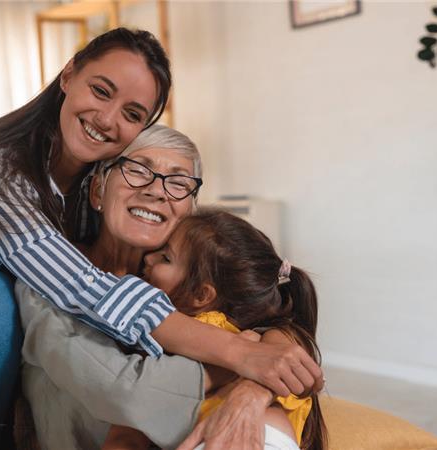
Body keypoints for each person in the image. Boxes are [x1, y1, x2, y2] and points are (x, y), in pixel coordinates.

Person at [0, 26, 320, 446]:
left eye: (133, 113)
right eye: (101, 90)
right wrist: (239, 357)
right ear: (69, 74)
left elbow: (266, 301)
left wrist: (256, 379)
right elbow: (82, 289)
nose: (109, 119)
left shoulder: (116, 203)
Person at [18, 125, 323, 450]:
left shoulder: (191, 288)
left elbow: (279, 334)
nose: (157, 190)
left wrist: (251, 392)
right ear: (97, 191)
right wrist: (237, 367)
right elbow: (126, 392)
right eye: (137, 170)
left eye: (178, 182)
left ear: (188, 211)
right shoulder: (48, 272)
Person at [102, 209, 327, 450]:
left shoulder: (194, 335)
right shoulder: (264, 338)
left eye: (166, 258)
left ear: (201, 294)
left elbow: (128, 433)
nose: (148, 258)